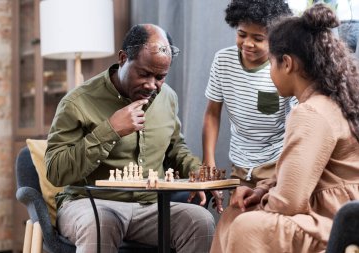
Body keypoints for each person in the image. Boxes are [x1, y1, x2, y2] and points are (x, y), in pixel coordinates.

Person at [44, 24, 215, 253]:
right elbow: (56, 171)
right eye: (144, 74)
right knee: (102, 223)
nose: (151, 85)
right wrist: (110, 130)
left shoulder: (168, 98)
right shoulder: (77, 102)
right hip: (89, 203)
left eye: (160, 77)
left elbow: (175, 148)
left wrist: (197, 172)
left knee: (199, 221)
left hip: (150, 206)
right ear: (123, 58)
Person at [210, 3, 359, 252]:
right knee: (233, 216)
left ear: (287, 64)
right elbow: (295, 177)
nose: (270, 72)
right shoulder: (330, 102)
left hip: (330, 220)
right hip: (332, 212)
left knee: (246, 226)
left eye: (271, 63)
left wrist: (267, 197)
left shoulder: (311, 112)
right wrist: (261, 190)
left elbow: (289, 201)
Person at [202, 0, 296, 210]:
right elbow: (212, 114)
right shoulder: (223, 61)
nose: (248, 43)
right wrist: (208, 161)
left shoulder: (283, 66)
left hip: (276, 162)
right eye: (242, 34)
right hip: (241, 163)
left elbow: (301, 117)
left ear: (275, 38)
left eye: (258, 38)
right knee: (236, 222)